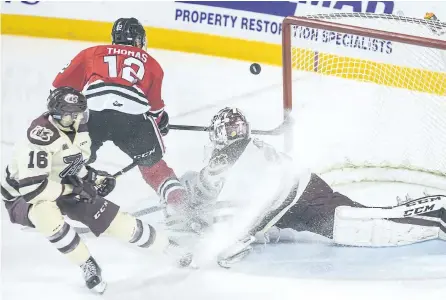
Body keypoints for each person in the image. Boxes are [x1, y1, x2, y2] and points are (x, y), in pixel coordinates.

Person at [165, 107, 446, 267]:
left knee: (363, 227)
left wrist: (237, 236)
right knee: (359, 219)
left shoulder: (230, 157)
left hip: (302, 198)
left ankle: (437, 217)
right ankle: (418, 212)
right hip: (299, 197)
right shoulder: (244, 151)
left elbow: (258, 200)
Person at [0, 87, 171, 294]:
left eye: (79, 113)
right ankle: (86, 264)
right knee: (44, 213)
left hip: (61, 181)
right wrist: (73, 189)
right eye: (69, 115)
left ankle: (167, 246)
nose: (77, 118)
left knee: (112, 220)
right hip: (23, 197)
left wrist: (93, 177)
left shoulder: (79, 127)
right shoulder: (39, 139)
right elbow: (34, 190)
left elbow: (72, 163)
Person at [51, 17, 186, 208]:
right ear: (139, 40)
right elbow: (155, 109)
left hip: (93, 113)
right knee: (153, 166)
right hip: (133, 119)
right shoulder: (152, 63)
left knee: (74, 158)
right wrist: (161, 122)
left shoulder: (92, 53)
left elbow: (60, 89)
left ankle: (55, 199)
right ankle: (180, 204)